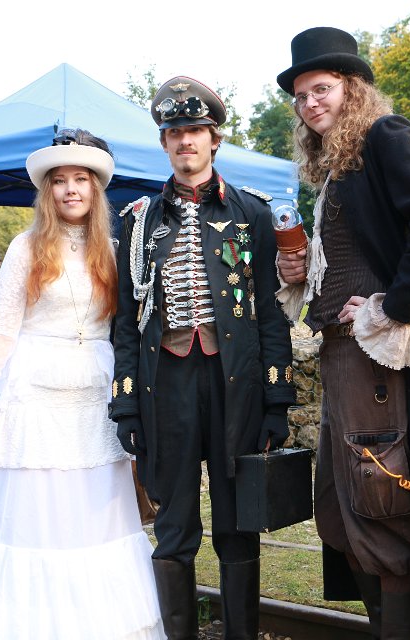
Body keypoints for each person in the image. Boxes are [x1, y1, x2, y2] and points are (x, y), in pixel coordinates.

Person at [275, 26, 410, 637]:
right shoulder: (341, 162)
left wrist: (394, 304)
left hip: (374, 355)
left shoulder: (384, 136)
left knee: (380, 499)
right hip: (343, 354)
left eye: (322, 88)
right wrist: (304, 271)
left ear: (352, 87)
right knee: (340, 506)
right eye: (301, 95)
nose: (310, 102)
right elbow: (360, 248)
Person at [0, 129, 164, 639]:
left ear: (96, 187)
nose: (70, 189)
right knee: (35, 514)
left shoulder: (115, 249)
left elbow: (133, 328)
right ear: (47, 190)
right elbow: (1, 328)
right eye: (59, 180)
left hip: (95, 398)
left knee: (94, 515)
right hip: (34, 396)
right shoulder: (26, 247)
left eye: (81, 178)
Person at [111, 77, 296, 639]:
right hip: (165, 385)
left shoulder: (252, 212)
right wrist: (126, 406)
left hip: (234, 384)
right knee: (173, 526)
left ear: (214, 139)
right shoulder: (138, 220)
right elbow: (125, 320)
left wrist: (276, 399)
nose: (185, 140)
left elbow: (271, 313)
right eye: (175, 132)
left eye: (195, 130)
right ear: (164, 143)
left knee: (238, 525)